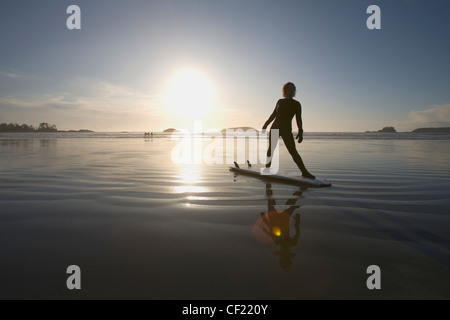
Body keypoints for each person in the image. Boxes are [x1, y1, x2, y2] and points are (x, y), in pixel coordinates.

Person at [262, 82, 315, 179]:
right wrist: (265, 124)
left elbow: (298, 118)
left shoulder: (296, 104)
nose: (292, 90)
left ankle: (304, 172)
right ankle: (267, 168)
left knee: (293, 152)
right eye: (290, 89)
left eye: (293, 89)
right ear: (285, 91)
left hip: (286, 130)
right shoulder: (280, 102)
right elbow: (274, 114)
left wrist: (300, 132)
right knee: (271, 149)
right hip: (275, 128)